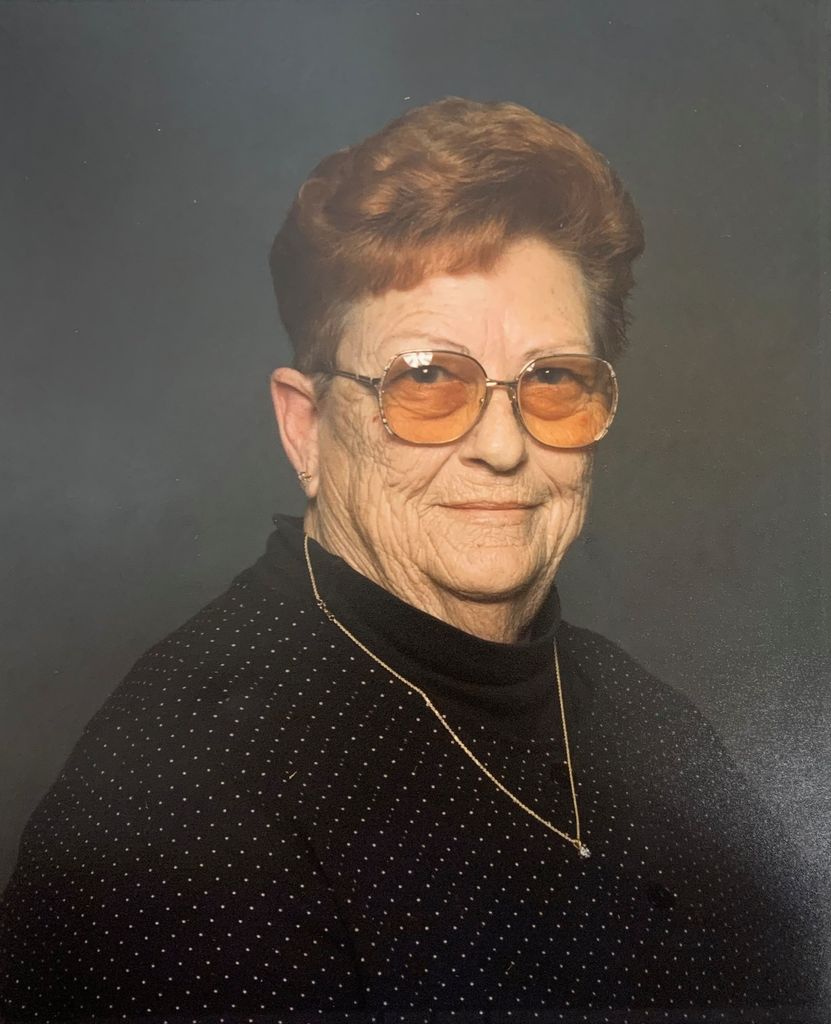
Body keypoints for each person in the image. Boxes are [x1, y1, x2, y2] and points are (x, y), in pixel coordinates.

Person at [0, 97, 825, 1023]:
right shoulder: (180, 802)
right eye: (427, 379)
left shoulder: (645, 720)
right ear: (306, 426)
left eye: (553, 379)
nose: (502, 447)